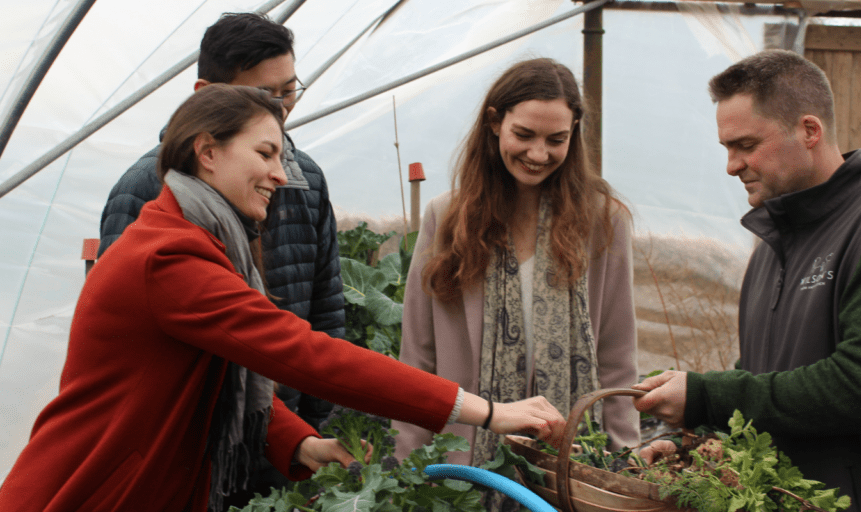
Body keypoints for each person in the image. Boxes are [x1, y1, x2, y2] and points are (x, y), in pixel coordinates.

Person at [0, 85, 565, 512]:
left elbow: (218, 380)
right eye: (266, 153)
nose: (281, 172)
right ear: (208, 152)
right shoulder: (167, 257)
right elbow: (302, 353)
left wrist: (302, 444)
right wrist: (486, 411)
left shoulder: (201, 239)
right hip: (89, 492)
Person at [633, 50, 861, 512]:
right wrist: (699, 442)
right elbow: (767, 379)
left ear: (809, 131)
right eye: (726, 148)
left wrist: (706, 396)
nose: (732, 165)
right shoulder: (773, 246)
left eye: (747, 145)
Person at [97, 12, 343, 434]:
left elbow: (326, 313)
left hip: (285, 438)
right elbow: (122, 348)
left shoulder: (305, 182)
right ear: (204, 95)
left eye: (289, 91)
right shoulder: (145, 189)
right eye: (264, 94)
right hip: (189, 438)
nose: (282, 108)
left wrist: (317, 431)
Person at [394, 58, 640, 471]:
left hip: (569, 462)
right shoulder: (448, 217)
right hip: (464, 461)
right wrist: (408, 463)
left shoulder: (602, 221)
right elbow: (418, 355)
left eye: (556, 139)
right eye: (523, 135)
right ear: (494, 122)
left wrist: (624, 460)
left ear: (574, 133)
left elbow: (616, 356)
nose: (538, 154)